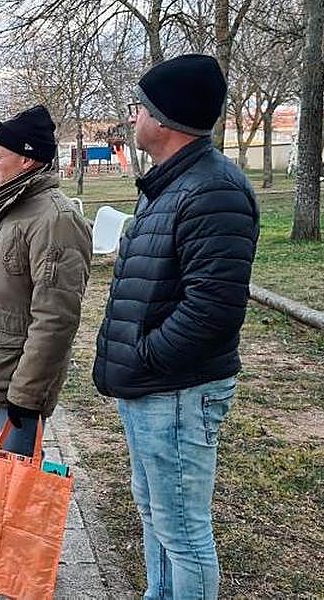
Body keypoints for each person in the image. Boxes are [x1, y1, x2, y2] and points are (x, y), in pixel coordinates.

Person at [93, 54, 259, 600]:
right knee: (157, 515)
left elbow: (213, 308)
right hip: (153, 388)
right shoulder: (170, 184)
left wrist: (145, 356)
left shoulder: (214, 191)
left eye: (140, 107)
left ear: (164, 119)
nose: (133, 116)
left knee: (183, 529)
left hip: (177, 390)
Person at [0, 105, 92, 454]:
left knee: (15, 478)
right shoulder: (10, 207)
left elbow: (55, 318)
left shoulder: (55, 220)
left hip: (17, 382)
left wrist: (27, 393)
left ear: (26, 160)